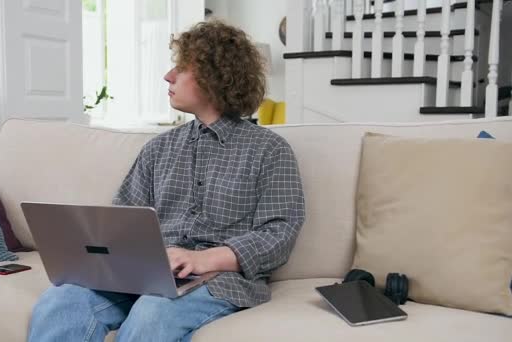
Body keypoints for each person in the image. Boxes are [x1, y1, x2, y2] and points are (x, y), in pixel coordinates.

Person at [28, 20, 305, 342]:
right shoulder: (159, 148)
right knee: (61, 300)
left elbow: (279, 234)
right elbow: (123, 217)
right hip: (143, 273)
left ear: (214, 77)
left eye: (181, 68)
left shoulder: (269, 150)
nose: (167, 76)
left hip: (219, 279)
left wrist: (201, 259)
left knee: (153, 311)